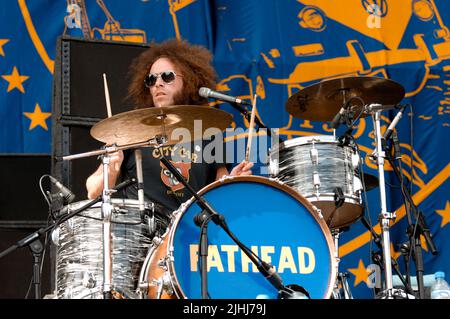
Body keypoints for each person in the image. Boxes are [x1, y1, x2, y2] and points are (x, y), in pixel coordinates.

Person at [86, 39, 253, 217]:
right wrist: (111, 167)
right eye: (151, 79)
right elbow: (93, 192)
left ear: (188, 80)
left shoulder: (208, 131)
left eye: (167, 76)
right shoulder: (130, 130)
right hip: (145, 233)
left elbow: (221, 192)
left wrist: (231, 183)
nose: (158, 83)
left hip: (192, 232)